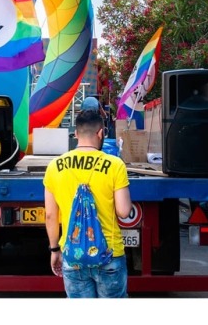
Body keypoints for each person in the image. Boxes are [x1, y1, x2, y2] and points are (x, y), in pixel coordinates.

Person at [43, 109, 132, 298]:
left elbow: (50, 215)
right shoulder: (115, 165)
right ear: (101, 133)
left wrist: (54, 250)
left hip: (73, 256)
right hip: (109, 255)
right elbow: (124, 212)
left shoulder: (54, 167)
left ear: (75, 134)